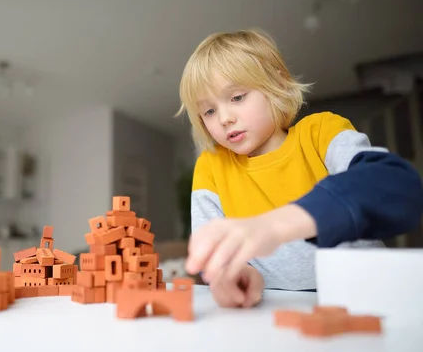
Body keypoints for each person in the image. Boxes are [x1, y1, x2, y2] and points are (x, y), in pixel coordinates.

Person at [175, 29, 423, 308]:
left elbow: (396, 184)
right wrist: (233, 275)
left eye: (237, 97)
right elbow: (217, 257)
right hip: (273, 311)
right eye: (208, 111)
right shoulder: (211, 166)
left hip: (369, 296)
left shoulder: (320, 133)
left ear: (276, 83)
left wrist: (272, 227)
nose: (224, 118)